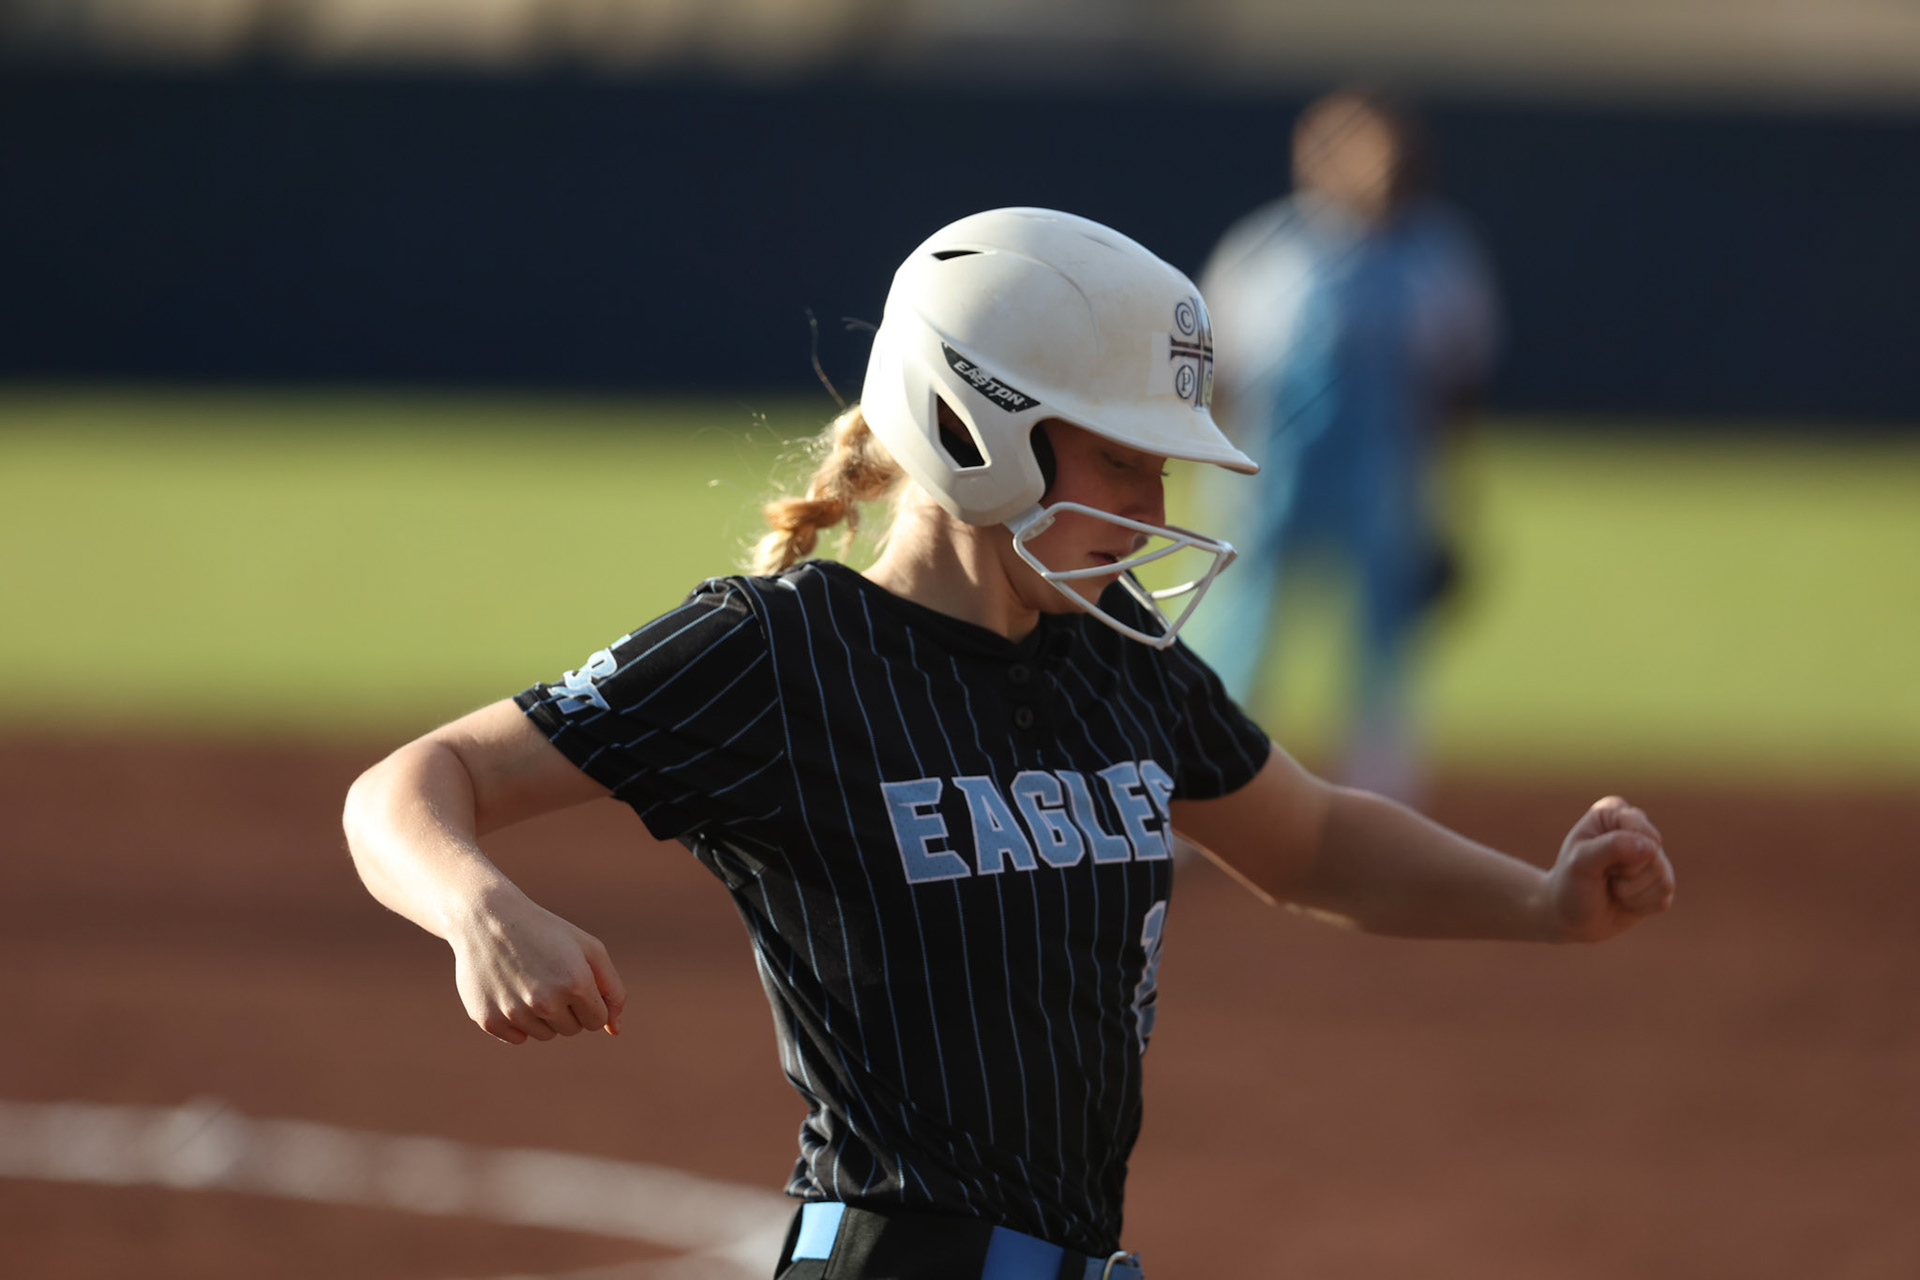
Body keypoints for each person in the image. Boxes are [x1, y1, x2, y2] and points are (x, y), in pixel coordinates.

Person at [343, 208, 1672, 1280]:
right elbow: (411, 786)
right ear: (977, 428)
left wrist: (1544, 903)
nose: (1158, 508)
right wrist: (479, 909)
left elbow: (1312, 840)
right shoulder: (784, 651)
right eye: (1126, 462)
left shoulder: (1115, 649)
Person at [1188, 89, 1504, 803]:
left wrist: (1453, 502)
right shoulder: (1265, 247)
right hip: (1270, 472)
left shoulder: (1438, 255)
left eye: (1383, 145)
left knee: (1384, 635)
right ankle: (1211, 784)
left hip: (1385, 472)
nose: (1374, 162)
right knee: (1243, 626)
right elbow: (1220, 376)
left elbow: (1458, 384)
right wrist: (1222, 480)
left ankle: (1383, 797)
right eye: (1352, 145)